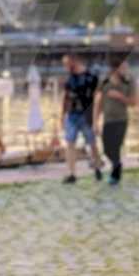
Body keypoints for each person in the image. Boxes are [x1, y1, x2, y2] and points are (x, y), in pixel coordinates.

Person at [59, 54, 99, 182]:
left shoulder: (91, 77)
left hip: (87, 114)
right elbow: (65, 97)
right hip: (72, 115)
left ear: (74, 61)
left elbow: (97, 98)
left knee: (91, 142)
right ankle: (72, 173)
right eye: (64, 64)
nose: (65, 67)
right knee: (70, 142)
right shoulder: (69, 79)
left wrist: (96, 119)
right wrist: (62, 115)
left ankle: (97, 167)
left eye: (67, 64)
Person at [97, 58, 136, 186]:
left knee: (116, 147)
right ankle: (117, 164)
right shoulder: (104, 81)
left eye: (126, 67)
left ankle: (115, 176)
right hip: (107, 120)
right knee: (107, 149)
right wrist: (95, 121)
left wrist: (119, 96)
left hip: (121, 120)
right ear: (115, 68)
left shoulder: (129, 81)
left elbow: (133, 102)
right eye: (122, 67)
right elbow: (98, 102)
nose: (125, 70)